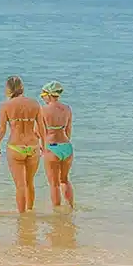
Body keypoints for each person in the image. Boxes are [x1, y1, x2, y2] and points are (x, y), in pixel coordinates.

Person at [0, 75, 43, 213]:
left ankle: (22, 217)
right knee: (30, 183)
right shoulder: (34, 103)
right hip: (33, 146)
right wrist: (44, 145)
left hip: (15, 147)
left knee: (20, 186)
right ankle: (30, 211)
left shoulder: (6, 106)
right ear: (22, 88)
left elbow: (2, 128)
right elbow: (42, 127)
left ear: (9, 89)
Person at [40, 81, 75, 210]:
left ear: (48, 95)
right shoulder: (67, 109)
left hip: (51, 147)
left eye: (43, 94)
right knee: (65, 180)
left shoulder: (43, 110)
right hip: (66, 146)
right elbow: (68, 130)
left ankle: (57, 213)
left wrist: (42, 147)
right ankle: (71, 208)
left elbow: (39, 131)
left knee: (54, 184)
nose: (42, 97)